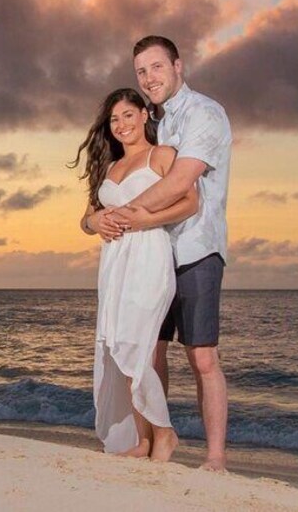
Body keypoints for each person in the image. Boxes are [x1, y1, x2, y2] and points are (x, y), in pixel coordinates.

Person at [88, 36, 232, 472]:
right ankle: (151, 440)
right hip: (148, 257)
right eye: (141, 71)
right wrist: (97, 220)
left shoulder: (204, 113)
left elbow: (180, 185)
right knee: (148, 351)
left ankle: (215, 457)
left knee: (202, 356)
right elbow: (103, 200)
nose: (149, 77)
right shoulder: (154, 121)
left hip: (194, 248)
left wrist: (124, 216)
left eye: (157, 67)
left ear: (177, 66)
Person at [70, 88, 198, 461]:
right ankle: (143, 440)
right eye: (114, 119)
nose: (121, 124)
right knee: (119, 345)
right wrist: (95, 221)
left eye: (128, 115)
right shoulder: (109, 166)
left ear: (144, 115)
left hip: (148, 256)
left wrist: (147, 220)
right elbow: (86, 221)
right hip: (113, 264)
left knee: (136, 345)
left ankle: (165, 433)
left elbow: (190, 202)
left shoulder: (162, 155)